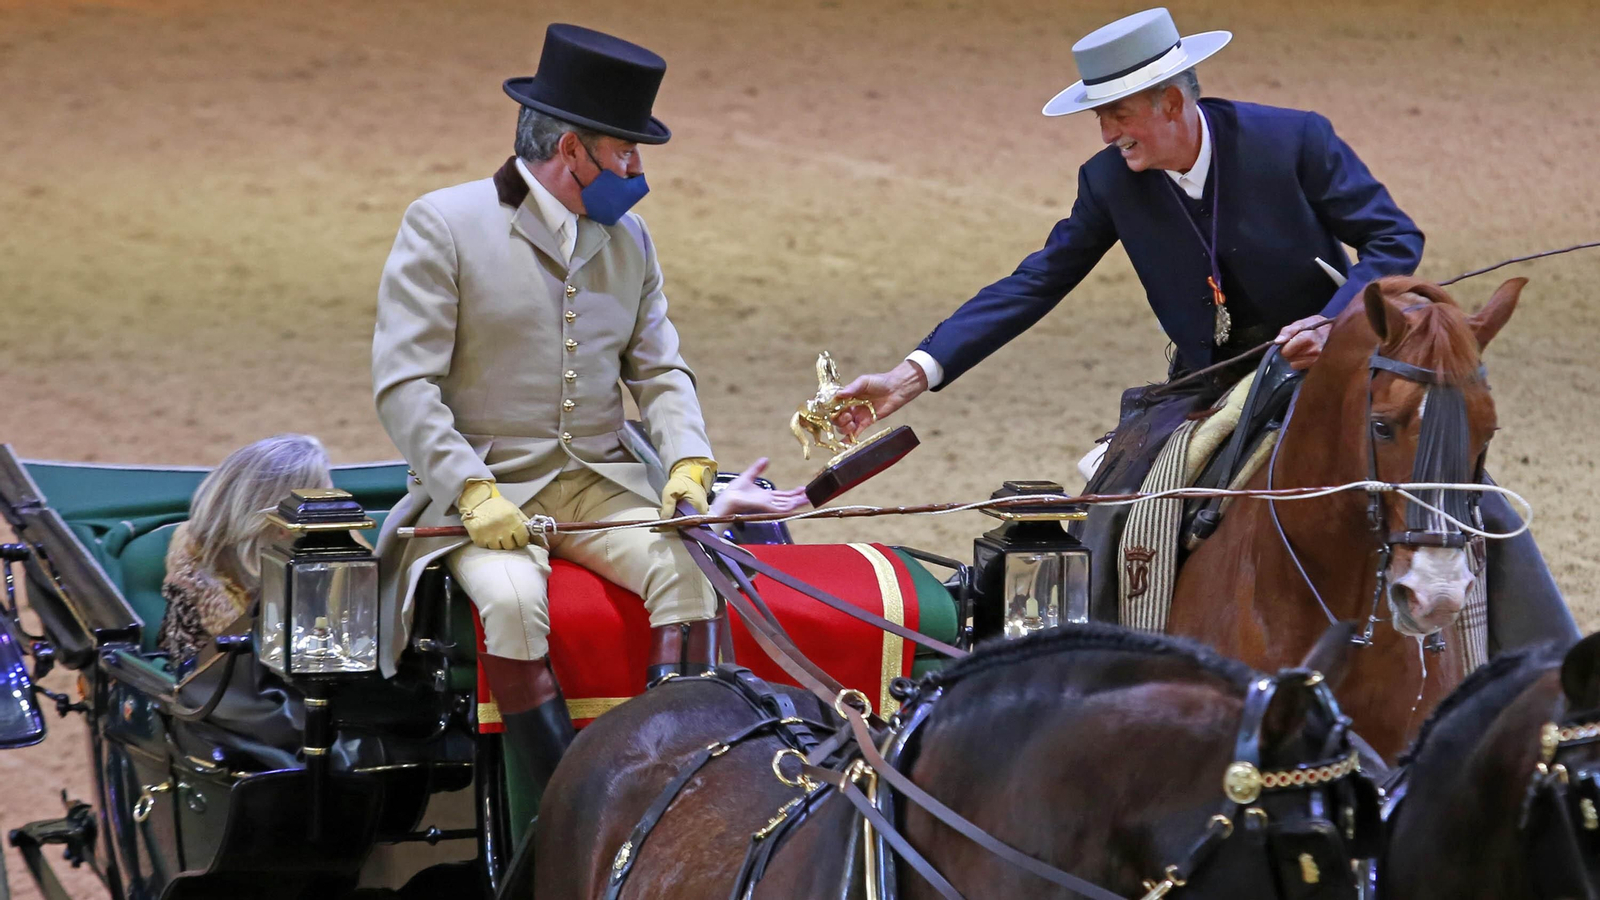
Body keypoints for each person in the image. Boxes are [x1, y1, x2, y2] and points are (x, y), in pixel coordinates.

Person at [832, 8, 1575, 649]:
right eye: (1101, 116)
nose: (1106, 131)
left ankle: (1553, 673)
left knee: (1458, 485)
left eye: (1117, 113)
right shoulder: (1108, 181)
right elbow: (1038, 279)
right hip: (1211, 386)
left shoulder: (1295, 141)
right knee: (1112, 501)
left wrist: (1333, 319)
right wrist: (912, 374)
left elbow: (1392, 240)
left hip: (1333, 366)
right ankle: (1101, 662)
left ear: (1168, 104)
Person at [371, 23, 807, 802]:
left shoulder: (629, 239)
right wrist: (471, 490)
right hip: (489, 488)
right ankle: (559, 808)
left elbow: (661, 368)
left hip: (601, 479)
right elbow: (405, 384)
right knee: (511, 603)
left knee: (692, 573)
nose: (637, 170)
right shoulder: (445, 224)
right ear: (571, 150)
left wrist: (686, 464)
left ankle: (680, 790)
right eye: (625, 151)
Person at [158, 433, 332, 663]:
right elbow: (196, 681)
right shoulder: (194, 576)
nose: (329, 517)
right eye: (321, 508)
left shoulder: (335, 556)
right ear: (284, 527)